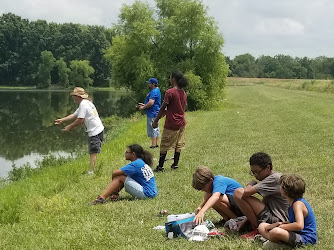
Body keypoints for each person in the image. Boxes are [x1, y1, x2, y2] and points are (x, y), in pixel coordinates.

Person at [233, 152, 289, 239]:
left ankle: (257, 229)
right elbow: (264, 203)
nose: (255, 175)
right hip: (273, 216)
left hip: (278, 219)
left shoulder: (274, 178)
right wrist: (245, 221)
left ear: (268, 167)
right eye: (253, 172)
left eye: (257, 172)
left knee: (238, 193)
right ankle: (254, 226)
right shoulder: (269, 179)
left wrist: (252, 182)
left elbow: (246, 192)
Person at [258, 174, 317, 249]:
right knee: (262, 226)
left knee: (275, 231)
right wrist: (280, 223)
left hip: (305, 239)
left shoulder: (298, 204)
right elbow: (294, 222)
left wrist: (281, 227)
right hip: (295, 234)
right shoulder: (292, 203)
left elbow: (299, 225)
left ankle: (281, 245)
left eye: (281, 187)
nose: (280, 188)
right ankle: (274, 240)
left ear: (286, 191)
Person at [55, 87, 104, 175]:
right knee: (93, 151)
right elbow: (74, 115)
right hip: (98, 129)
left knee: (93, 152)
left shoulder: (83, 104)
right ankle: (92, 170)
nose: (73, 97)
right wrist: (62, 120)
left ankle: (91, 172)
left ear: (78, 96)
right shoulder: (86, 102)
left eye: (74, 96)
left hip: (95, 131)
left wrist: (69, 126)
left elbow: (80, 120)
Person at [90, 144, 158, 205]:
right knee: (124, 176)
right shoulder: (140, 162)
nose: (125, 153)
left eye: (127, 152)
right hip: (152, 193)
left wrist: (114, 181)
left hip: (147, 194)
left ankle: (102, 198)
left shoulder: (135, 164)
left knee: (120, 177)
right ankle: (115, 194)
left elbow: (115, 173)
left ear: (133, 154)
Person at [152, 71, 188, 172]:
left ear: (173, 79)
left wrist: (155, 121)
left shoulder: (170, 92)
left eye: (170, 77)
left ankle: (160, 167)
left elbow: (163, 107)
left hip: (172, 123)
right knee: (178, 144)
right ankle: (175, 165)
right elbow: (180, 107)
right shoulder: (183, 92)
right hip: (181, 122)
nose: (169, 79)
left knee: (165, 144)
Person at [138, 78, 161, 148]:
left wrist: (143, 108)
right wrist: (144, 104)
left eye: (149, 83)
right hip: (156, 112)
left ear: (153, 84)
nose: (148, 84)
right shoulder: (157, 90)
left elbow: (151, 103)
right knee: (156, 128)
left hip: (152, 113)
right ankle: (156, 144)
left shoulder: (154, 92)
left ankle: (153, 145)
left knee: (153, 128)